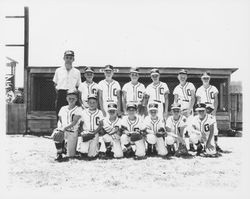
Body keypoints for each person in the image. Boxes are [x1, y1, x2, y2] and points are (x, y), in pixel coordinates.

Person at [52, 90, 82, 161]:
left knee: (71, 156)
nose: (71, 100)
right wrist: (59, 128)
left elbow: (74, 122)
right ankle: (59, 152)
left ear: (76, 99)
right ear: (66, 98)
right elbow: (60, 120)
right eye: (69, 98)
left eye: (73, 98)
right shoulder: (63, 108)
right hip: (63, 131)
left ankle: (66, 146)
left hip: (72, 132)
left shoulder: (78, 109)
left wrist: (63, 128)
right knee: (57, 134)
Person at [196, 72, 222, 152]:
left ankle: (216, 144)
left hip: (211, 109)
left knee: (215, 128)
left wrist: (214, 111)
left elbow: (216, 101)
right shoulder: (199, 89)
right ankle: (202, 145)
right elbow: (198, 102)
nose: (205, 79)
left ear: (209, 78)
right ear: (201, 79)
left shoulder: (213, 88)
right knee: (204, 128)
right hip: (204, 110)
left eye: (207, 78)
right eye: (204, 78)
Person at [53, 50, 81, 120]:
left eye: (70, 58)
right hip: (61, 94)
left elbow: (78, 85)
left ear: (73, 59)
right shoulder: (58, 70)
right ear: (64, 58)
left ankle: (72, 130)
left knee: (73, 113)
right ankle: (60, 129)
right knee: (60, 113)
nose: (68, 60)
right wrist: (59, 94)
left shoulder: (77, 72)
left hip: (72, 94)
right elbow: (55, 84)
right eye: (67, 57)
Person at [77, 94, 104, 160]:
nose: (92, 104)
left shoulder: (100, 112)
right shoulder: (83, 112)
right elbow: (80, 125)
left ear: (97, 103)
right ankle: (82, 147)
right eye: (90, 102)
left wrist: (94, 133)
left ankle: (97, 145)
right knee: (83, 152)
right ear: (87, 103)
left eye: (94, 102)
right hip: (86, 133)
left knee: (91, 155)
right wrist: (82, 132)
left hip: (95, 133)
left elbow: (101, 125)